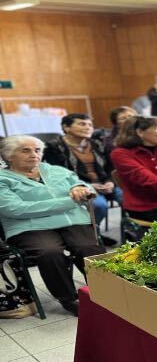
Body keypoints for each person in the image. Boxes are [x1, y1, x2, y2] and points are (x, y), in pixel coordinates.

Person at [0, 135, 104, 316]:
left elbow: (87, 188)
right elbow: (15, 209)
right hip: (29, 227)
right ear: (9, 155)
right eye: (25, 150)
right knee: (49, 252)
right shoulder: (3, 179)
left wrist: (80, 187)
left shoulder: (55, 170)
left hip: (72, 221)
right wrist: (69, 201)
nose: (34, 154)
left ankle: (106, 291)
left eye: (37, 150)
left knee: (88, 247)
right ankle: (69, 299)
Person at [43, 113, 122, 246]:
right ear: (66, 127)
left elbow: (111, 166)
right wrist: (88, 185)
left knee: (128, 197)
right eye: (82, 124)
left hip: (105, 183)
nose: (88, 127)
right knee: (98, 205)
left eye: (90, 124)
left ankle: (132, 231)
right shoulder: (54, 147)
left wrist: (110, 181)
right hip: (78, 186)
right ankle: (92, 235)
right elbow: (60, 173)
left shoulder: (98, 143)